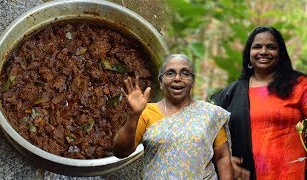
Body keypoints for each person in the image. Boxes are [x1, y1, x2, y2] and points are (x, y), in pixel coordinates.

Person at [113, 54, 233, 179]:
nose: (177, 78)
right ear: (160, 82)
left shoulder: (210, 114)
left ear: (192, 82)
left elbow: (222, 156)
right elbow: (121, 152)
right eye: (170, 73)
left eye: (185, 73)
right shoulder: (147, 112)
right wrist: (134, 115)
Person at [209, 26, 307, 179]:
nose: (263, 51)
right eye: (257, 47)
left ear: (280, 53)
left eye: (271, 47)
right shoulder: (231, 93)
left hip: (292, 174)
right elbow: (207, 134)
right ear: (248, 54)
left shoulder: (299, 84)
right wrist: (224, 160)